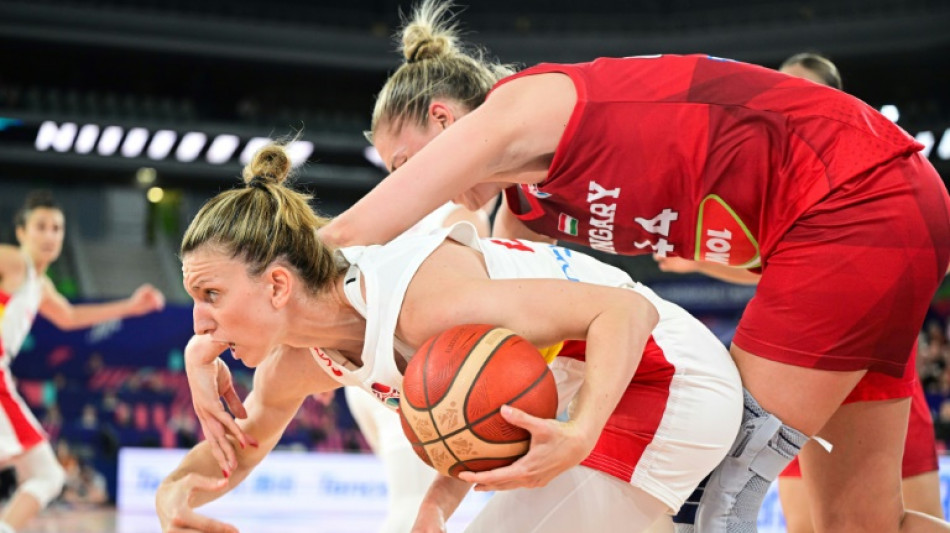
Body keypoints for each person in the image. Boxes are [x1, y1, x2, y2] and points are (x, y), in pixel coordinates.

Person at [304, 1, 950, 530]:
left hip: (854, 194)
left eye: (401, 164)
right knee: (860, 522)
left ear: (443, 119)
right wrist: (447, 491)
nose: (415, 187)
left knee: (713, 488)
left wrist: (229, 316)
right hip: (881, 213)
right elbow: (524, 361)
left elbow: (345, 240)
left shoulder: (519, 110)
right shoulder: (525, 214)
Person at [155, 142, 744, 533]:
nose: (200, 323)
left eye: (211, 296)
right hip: (601, 392)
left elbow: (623, 312)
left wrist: (581, 432)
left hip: (664, 376)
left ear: (279, 285)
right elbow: (238, 447)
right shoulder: (299, 363)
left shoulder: (420, 299)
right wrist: (173, 495)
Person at [654, 51, 945, 530]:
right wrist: (698, 257)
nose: (790, 105)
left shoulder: (873, 173)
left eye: (804, 92)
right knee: (810, 526)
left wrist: (699, 260)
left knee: (892, 521)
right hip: (801, 367)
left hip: (870, 367)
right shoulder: (766, 171)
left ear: (839, 101)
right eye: (781, 93)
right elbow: (774, 268)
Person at [0, 191, 165, 533]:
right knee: (44, 473)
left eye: (57, 228)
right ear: (21, 233)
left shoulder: (40, 284)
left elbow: (70, 316)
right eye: (41, 227)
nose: (49, 235)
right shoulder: (13, 261)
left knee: (47, 475)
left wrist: (130, 307)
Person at [343, 200, 495, 533]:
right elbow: (471, 314)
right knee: (412, 509)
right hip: (413, 375)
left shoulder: (390, 211)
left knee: (408, 502)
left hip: (363, 376)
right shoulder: (463, 216)